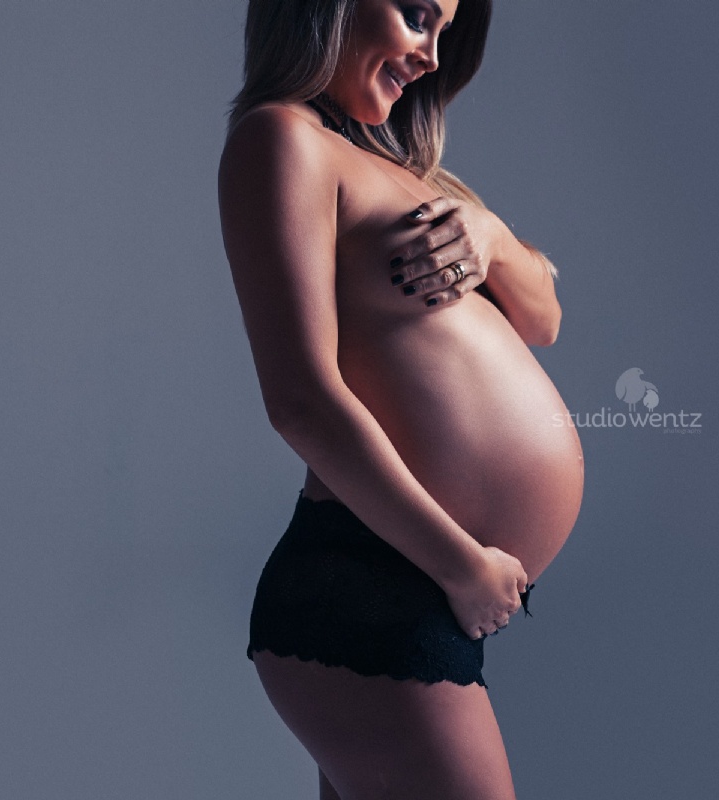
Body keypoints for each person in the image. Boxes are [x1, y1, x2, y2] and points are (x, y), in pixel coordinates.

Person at [217, 1, 584, 797]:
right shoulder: (282, 139)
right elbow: (301, 399)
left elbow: (544, 319)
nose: (431, 55)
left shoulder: (400, 174)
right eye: (418, 16)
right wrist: (462, 566)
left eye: (444, 31)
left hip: (418, 587)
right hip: (377, 585)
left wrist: (488, 235)